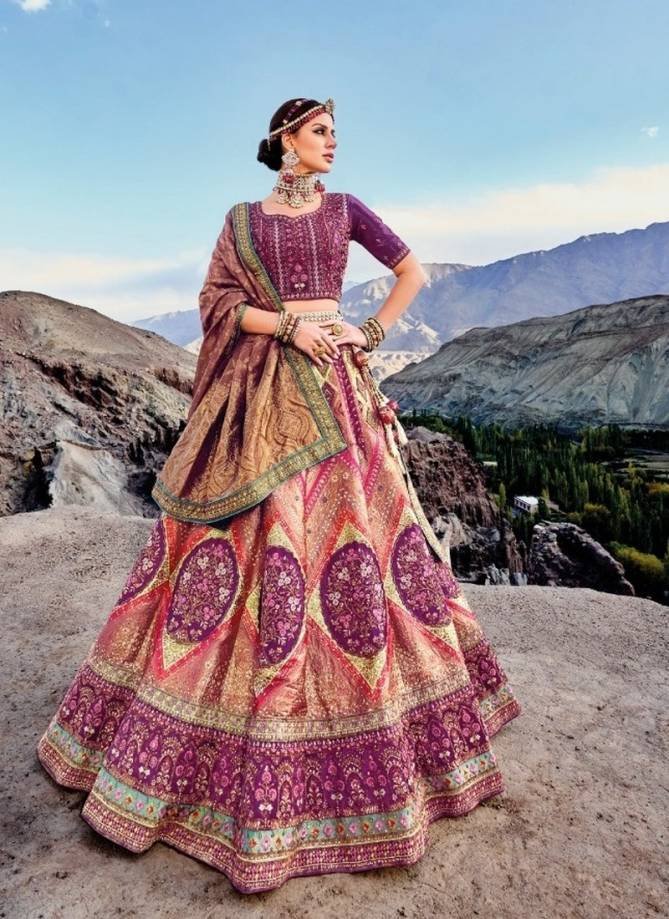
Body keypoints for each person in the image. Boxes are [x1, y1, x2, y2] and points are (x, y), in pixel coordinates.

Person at [37, 96, 522, 894]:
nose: (333, 143)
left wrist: (366, 332)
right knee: (248, 540)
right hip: (261, 389)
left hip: (335, 389)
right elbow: (217, 304)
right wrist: (286, 326)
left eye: (335, 132)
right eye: (321, 131)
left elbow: (411, 271)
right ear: (284, 139)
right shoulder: (241, 222)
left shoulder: (345, 208)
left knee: (359, 540)